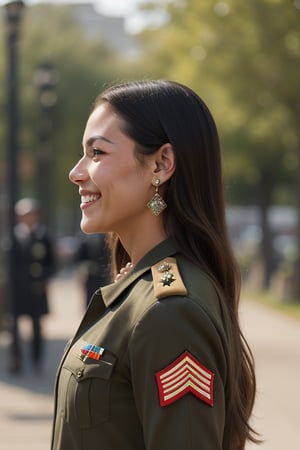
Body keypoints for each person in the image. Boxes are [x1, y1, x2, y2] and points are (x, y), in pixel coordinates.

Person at [51, 80, 259, 450]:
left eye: (97, 153)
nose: (76, 172)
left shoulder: (169, 311)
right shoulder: (143, 289)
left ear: (161, 164)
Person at [8, 198, 55, 373]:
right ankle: (16, 361)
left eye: (30, 214)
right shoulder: (13, 236)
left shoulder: (43, 236)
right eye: (23, 215)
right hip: (18, 290)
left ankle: (36, 361)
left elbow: (52, 264)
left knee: (37, 327)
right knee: (14, 327)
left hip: (37, 290)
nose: (27, 218)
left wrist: (43, 278)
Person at [75, 233, 112, 306]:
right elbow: (79, 259)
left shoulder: (107, 238)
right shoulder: (85, 239)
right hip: (90, 275)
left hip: (103, 274)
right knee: (90, 299)